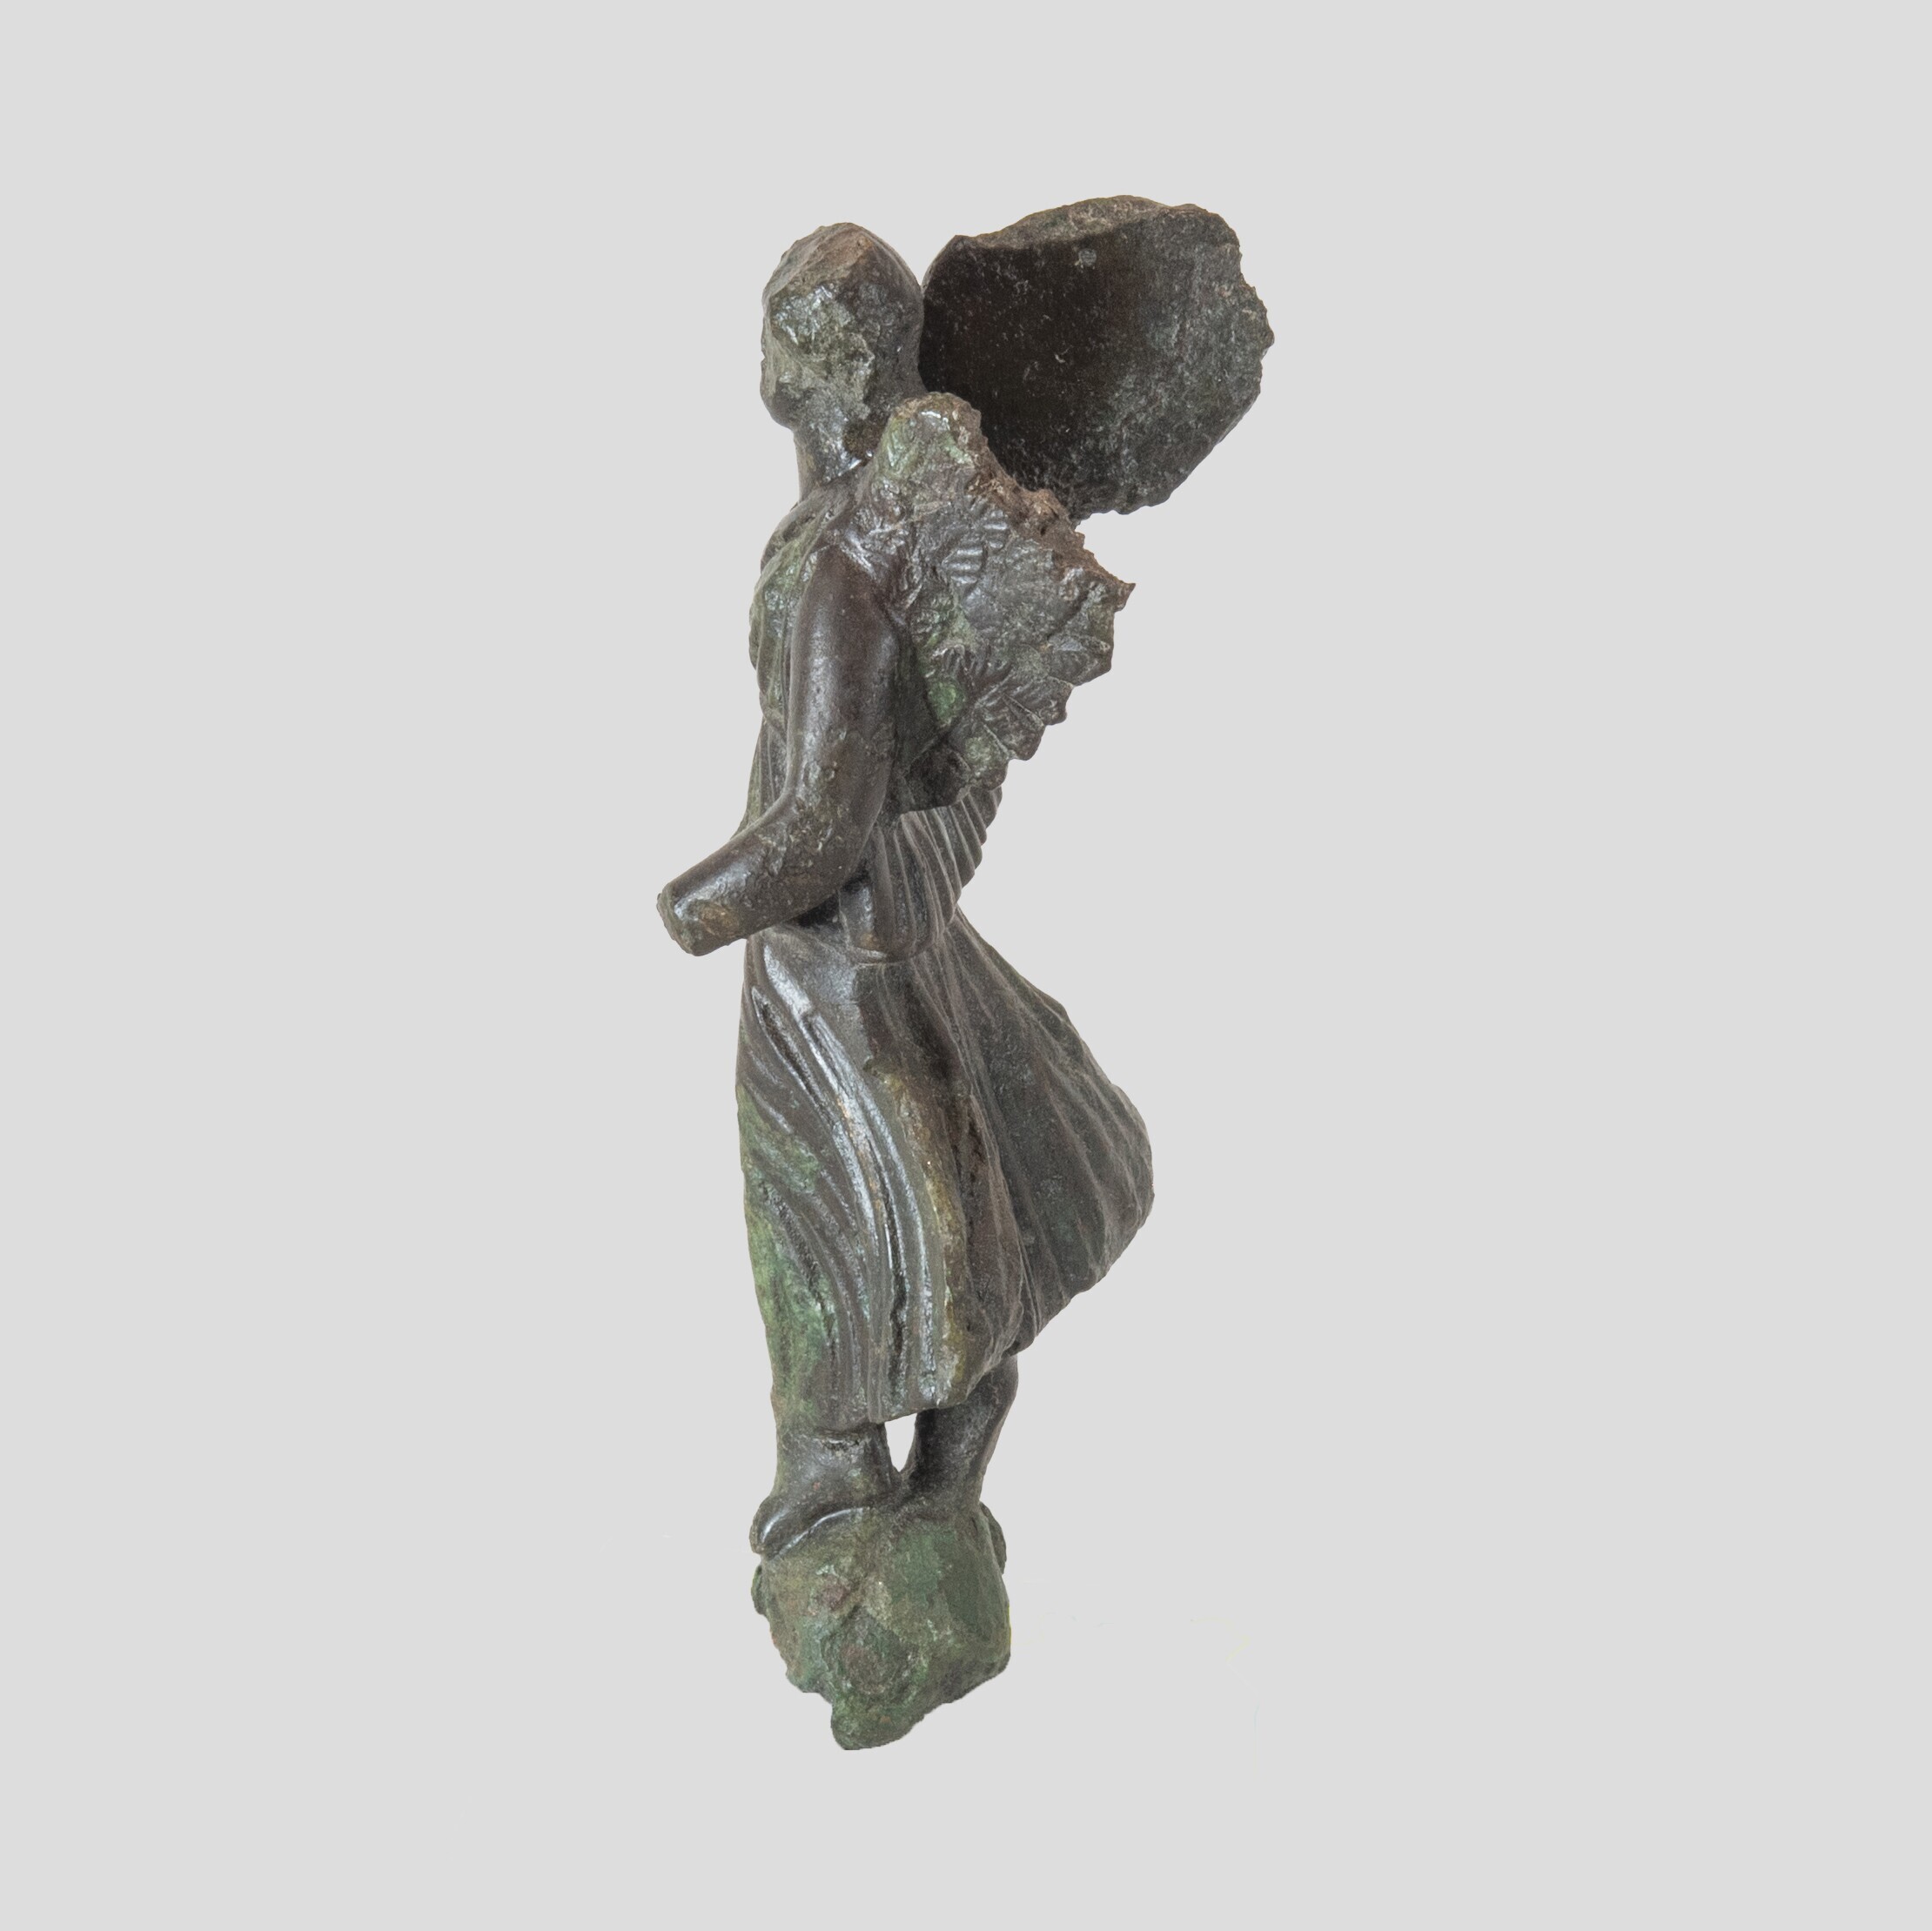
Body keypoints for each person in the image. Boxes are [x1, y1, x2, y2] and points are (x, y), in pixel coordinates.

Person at [659, 225, 1153, 1556]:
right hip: (904, 938)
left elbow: (819, 827)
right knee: (951, 1227)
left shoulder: (848, 558)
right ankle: (922, 1496)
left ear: (807, 364)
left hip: (830, 963)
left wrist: (695, 907)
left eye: (781, 323)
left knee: (847, 1224)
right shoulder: (897, 519)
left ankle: (860, 1488)